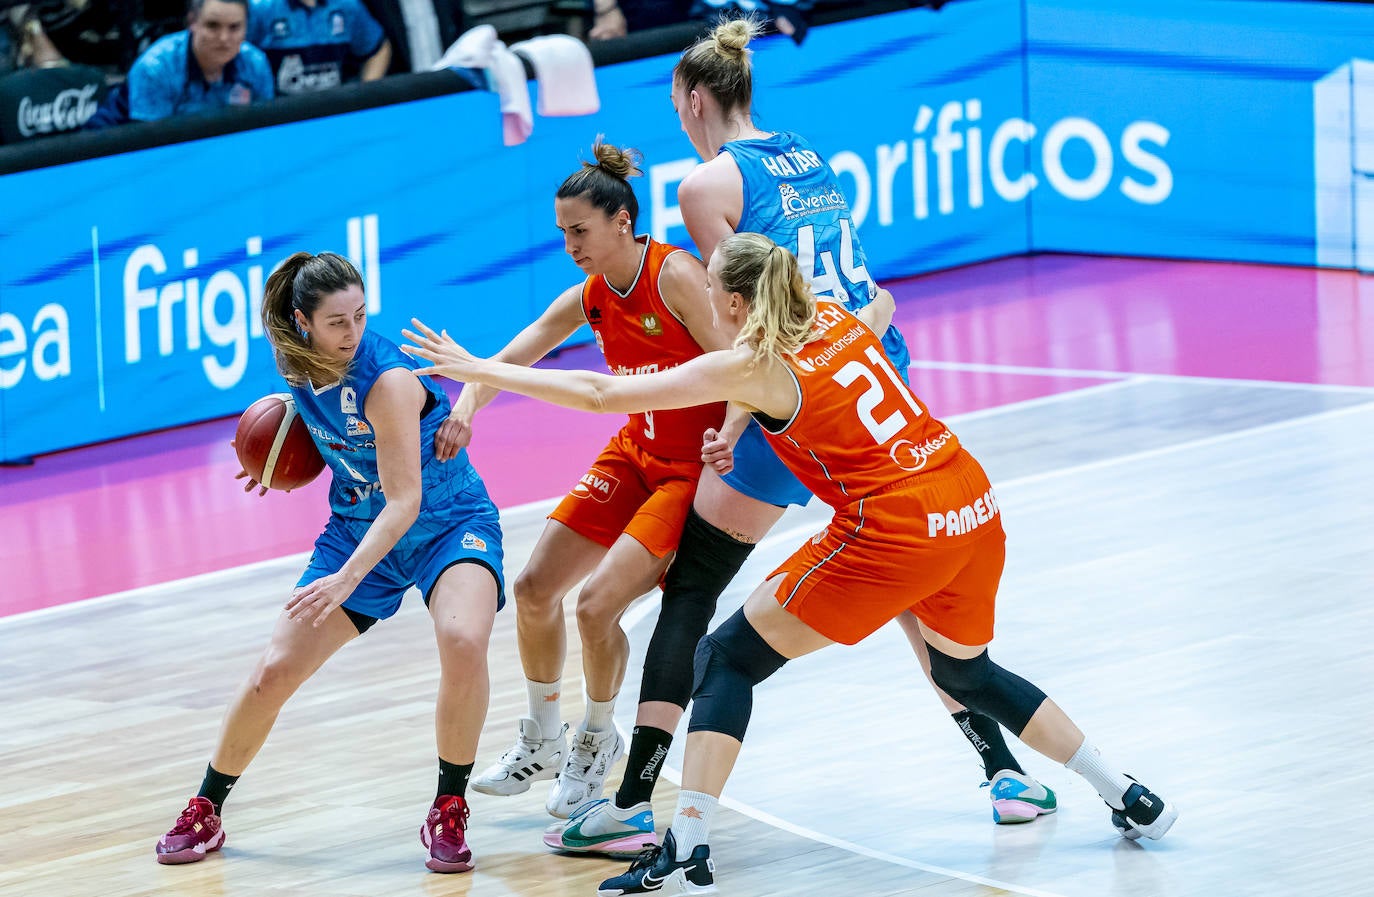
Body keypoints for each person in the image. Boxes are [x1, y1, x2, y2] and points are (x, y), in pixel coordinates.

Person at [401, 232, 1181, 896]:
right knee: (966, 672)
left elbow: (601, 392)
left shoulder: (752, 363)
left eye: (714, 288)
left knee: (725, 656)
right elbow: (884, 307)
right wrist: (744, 417)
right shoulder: (834, 314)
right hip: (968, 500)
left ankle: (687, 838)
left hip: (895, 524)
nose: (707, 298)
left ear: (736, 302)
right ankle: (1125, 790)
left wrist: (479, 369)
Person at [641, 14, 1057, 830]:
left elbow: (743, 322)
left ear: (692, 100)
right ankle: (1004, 772)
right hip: (876, 370)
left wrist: (732, 419)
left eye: (674, 105)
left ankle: (633, 797)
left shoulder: (703, 187)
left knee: (694, 583)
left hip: (805, 387)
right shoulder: (803, 151)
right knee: (906, 585)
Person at [153, 251, 505, 875]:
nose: (353, 332)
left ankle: (448, 807)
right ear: (303, 322)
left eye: (361, 316)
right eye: (338, 322)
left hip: (447, 522)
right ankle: (206, 807)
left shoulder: (387, 380)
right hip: (354, 528)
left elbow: (404, 500)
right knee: (273, 672)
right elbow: (324, 433)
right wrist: (271, 460)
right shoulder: (295, 364)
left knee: (462, 639)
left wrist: (346, 580)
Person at [440, 141, 732, 846]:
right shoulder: (594, 295)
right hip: (634, 453)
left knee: (597, 606)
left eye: (580, 230)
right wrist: (467, 404)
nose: (569, 245)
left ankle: (598, 738)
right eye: (562, 232)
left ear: (623, 221)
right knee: (534, 587)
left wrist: (734, 438)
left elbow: (737, 361)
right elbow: (519, 351)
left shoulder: (676, 276)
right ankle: (544, 734)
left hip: (687, 469)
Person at [124, 0, 274, 124]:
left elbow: (263, 127)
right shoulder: (155, 69)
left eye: (234, 27)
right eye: (212, 25)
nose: (224, 38)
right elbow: (152, 142)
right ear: (192, 22)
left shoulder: (255, 63)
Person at [246, 0, 390, 97]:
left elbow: (378, 50)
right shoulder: (260, 8)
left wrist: (364, 94)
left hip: (334, 109)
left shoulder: (348, 6)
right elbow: (240, 56)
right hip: (279, 114)